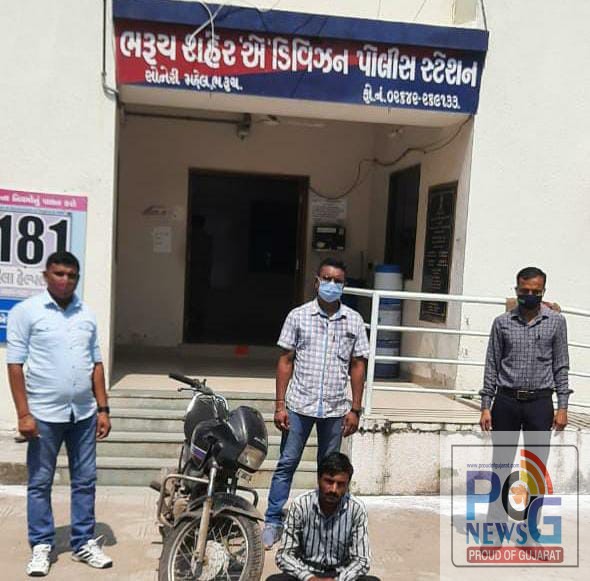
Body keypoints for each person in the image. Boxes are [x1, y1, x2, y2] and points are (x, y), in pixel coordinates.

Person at [6, 251, 113, 576]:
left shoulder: (87, 315)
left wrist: (103, 408)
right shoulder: (26, 312)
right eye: (59, 274)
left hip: (83, 414)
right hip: (43, 416)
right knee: (40, 482)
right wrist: (23, 414)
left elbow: (96, 364)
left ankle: (83, 542)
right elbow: (15, 365)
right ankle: (41, 545)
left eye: (71, 275)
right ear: (46, 275)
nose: (65, 280)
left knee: (85, 480)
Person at [263, 258, 369, 549]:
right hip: (299, 406)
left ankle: (328, 525)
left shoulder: (354, 321)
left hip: (335, 409)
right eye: (327, 279)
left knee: (330, 470)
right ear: (317, 281)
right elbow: (285, 361)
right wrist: (280, 405)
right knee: (287, 463)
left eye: (338, 281)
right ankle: (273, 520)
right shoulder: (298, 316)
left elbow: (358, 366)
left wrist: (355, 409)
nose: (332, 285)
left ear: (344, 285)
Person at [478, 266, 571, 546]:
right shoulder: (502, 323)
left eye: (535, 291)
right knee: (501, 468)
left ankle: (530, 534)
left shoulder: (556, 323)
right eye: (524, 290)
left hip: (540, 404)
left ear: (543, 291)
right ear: (517, 289)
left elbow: (561, 365)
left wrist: (563, 406)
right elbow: (492, 364)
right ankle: (495, 531)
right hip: (506, 402)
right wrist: (486, 405)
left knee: (535, 471)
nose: (529, 295)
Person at [269, 452, 379, 581]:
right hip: (306, 573)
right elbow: (284, 555)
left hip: (341, 574)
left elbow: (362, 560)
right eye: (329, 482)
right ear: (318, 479)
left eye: (340, 484)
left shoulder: (356, 509)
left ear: (347, 485)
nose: (333, 489)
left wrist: (338, 580)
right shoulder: (301, 505)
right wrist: (310, 578)